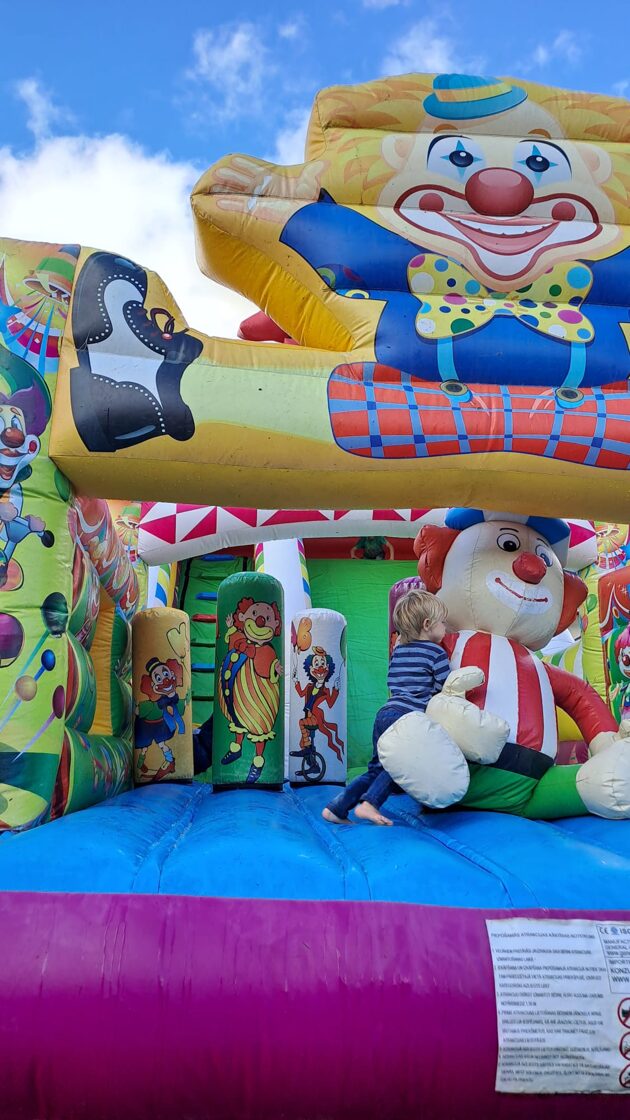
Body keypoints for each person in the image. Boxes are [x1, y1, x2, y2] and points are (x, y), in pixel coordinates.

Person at [322, 589, 450, 826]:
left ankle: (336, 808)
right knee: (402, 763)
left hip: (385, 714)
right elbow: (445, 690)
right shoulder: (436, 653)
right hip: (407, 717)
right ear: (427, 624)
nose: (446, 628)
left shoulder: (399, 651)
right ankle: (370, 804)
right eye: (443, 622)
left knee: (376, 769)